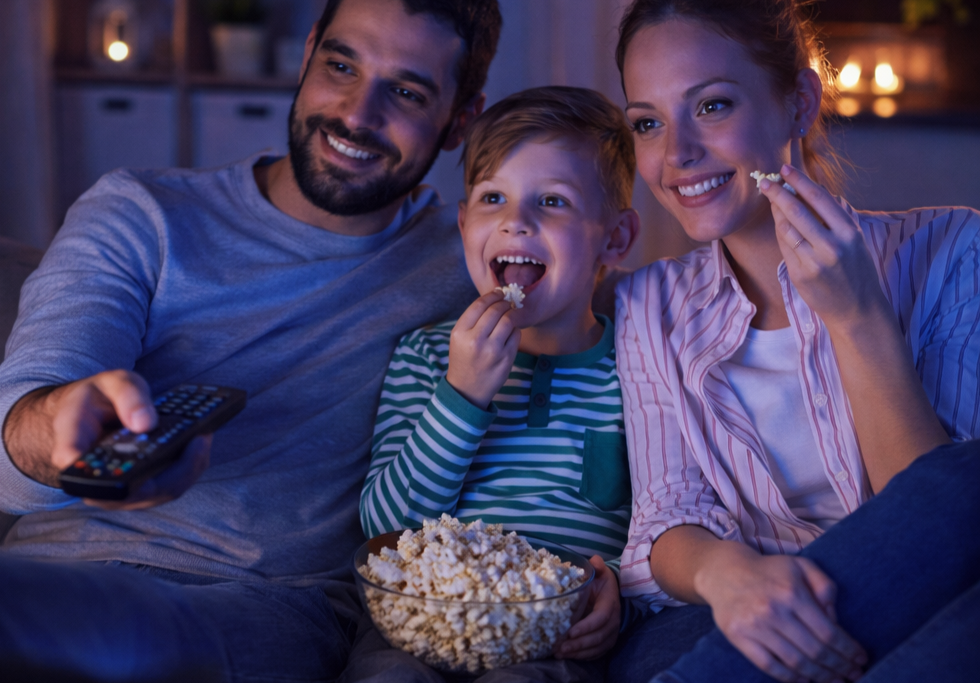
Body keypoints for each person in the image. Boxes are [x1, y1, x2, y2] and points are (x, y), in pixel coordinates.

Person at [0, 0, 502, 680]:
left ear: (461, 119)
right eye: (340, 66)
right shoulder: (139, 212)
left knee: (133, 636)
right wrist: (57, 430)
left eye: (407, 93)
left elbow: (608, 287)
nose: (357, 114)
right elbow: (7, 443)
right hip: (49, 579)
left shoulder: (478, 259)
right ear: (307, 54)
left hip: (256, 606)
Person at [606, 1, 980, 682]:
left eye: (712, 106)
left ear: (800, 101)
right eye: (648, 123)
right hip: (736, 608)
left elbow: (945, 524)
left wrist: (857, 317)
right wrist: (730, 575)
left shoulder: (954, 251)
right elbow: (665, 516)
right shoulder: (647, 304)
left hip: (919, 604)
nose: (676, 154)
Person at [349, 86, 640, 682]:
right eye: (493, 197)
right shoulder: (428, 356)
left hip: (554, 638)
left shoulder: (642, 372)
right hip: (419, 625)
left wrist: (619, 591)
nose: (515, 220)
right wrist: (463, 394)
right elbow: (385, 530)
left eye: (552, 200)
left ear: (614, 239)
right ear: (464, 225)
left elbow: (662, 525)